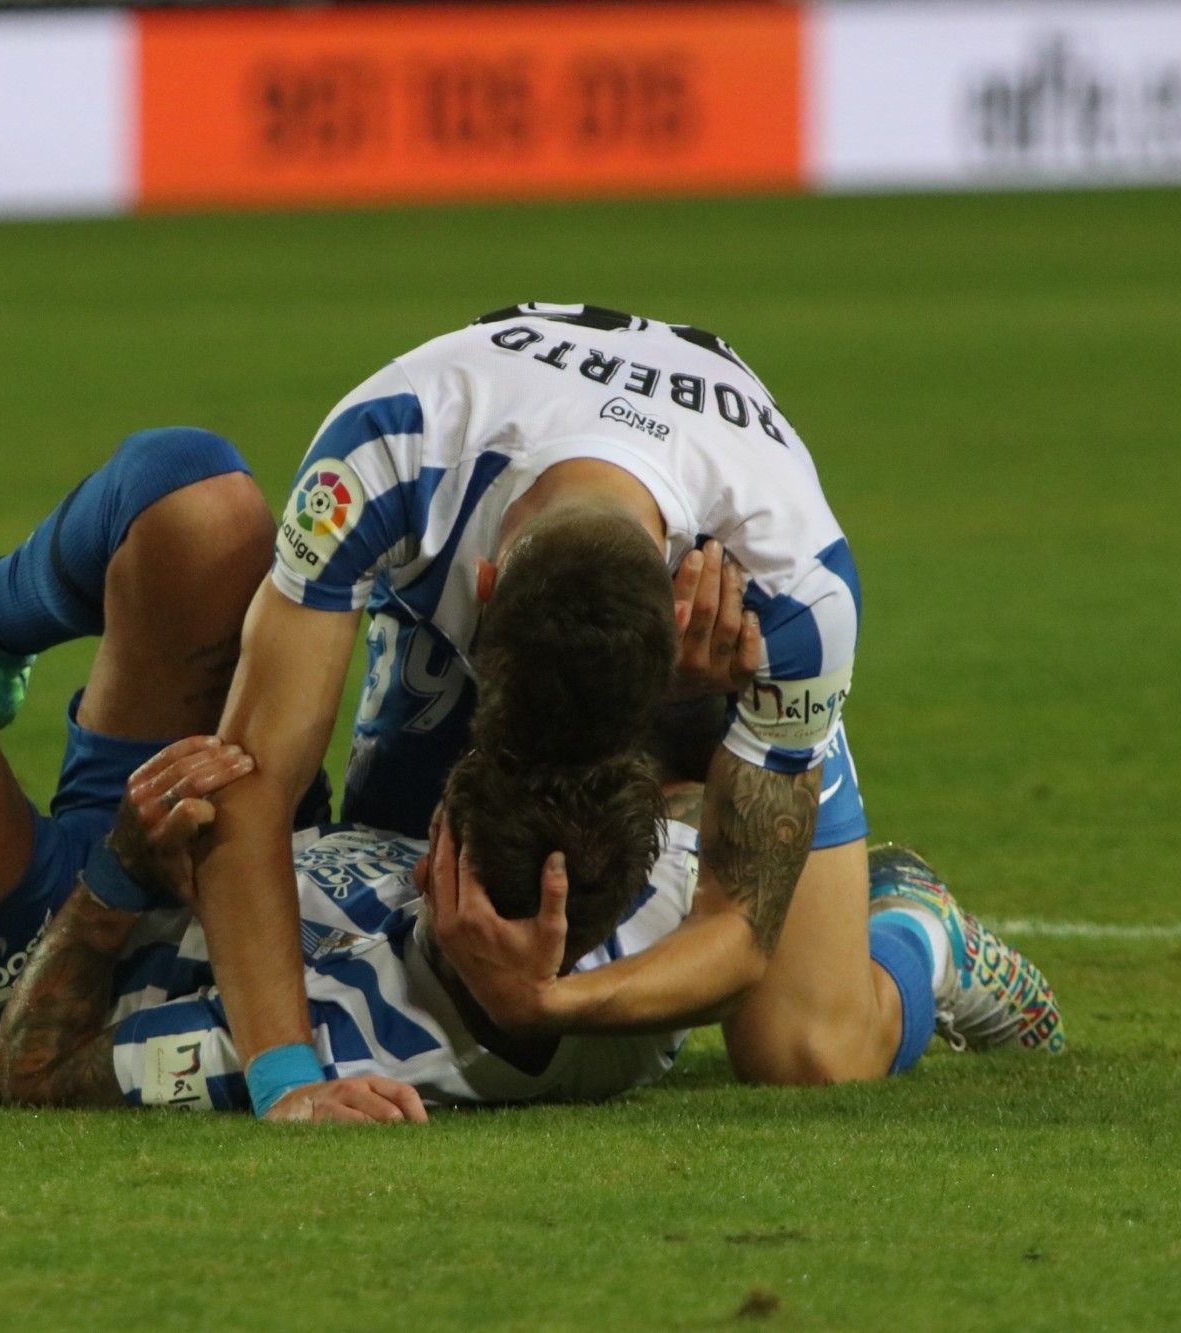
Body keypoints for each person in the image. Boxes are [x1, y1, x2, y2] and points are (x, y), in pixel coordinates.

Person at [54, 302, 1063, 1117]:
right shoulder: (390, 449)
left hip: (700, 676)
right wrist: (287, 1080)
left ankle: (916, 929)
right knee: (420, 858)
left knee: (810, 1054)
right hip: (476, 596)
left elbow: (740, 928)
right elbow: (251, 780)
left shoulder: (789, 586)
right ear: (479, 586)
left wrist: (548, 1003)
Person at [0, 430, 697, 1117]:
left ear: (454, 890)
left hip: (67, 945)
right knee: (200, 498)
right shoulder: (645, 913)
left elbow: (34, 1070)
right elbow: (807, 906)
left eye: (439, 846)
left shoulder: (355, 1042)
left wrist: (117, 878)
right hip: (233, 830)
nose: (423, 848)